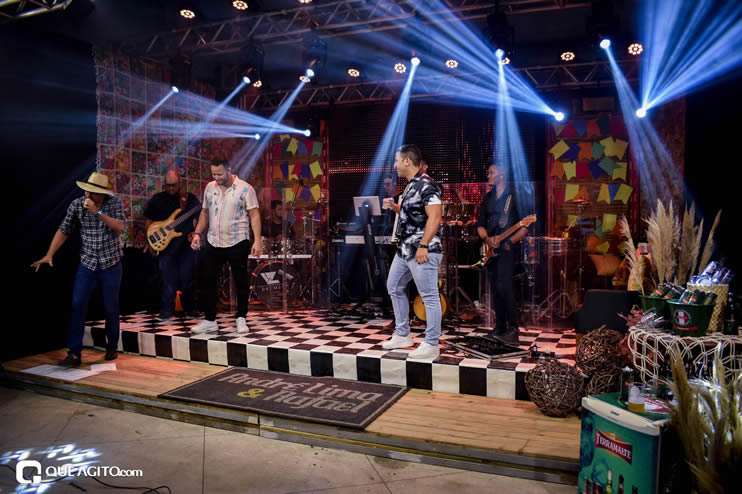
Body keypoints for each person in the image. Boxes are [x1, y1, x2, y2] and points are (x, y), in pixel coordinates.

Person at [31, 172, 126, 366]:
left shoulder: (114, 203)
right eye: (87, 191)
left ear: (103, 194)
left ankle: (111, 346)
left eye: (94, 192)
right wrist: (50, 254)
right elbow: (64, 229)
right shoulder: (76, 205)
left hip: (111, 262)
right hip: (88, 262)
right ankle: (74, 353)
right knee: (77, 304)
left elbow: (119, 227)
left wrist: (97, 212)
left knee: (110, 306)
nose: (89, 195)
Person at [381, 144, 443, 360]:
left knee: (429, 296)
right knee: (394, 286)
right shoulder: (410, 186)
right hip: (406, 249)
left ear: (407, 161)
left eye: (397, 160)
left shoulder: (427, 185)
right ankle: (402, 334)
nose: (395, 165)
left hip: (422, 248)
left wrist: (424, 245)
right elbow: (414, 214)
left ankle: (432, 344)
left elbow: (435, 216)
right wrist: (395, 208)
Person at [190, 161, 261, 334]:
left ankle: (241, 317)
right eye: (214, 174)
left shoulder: (245, 189)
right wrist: (197, 233)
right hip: (214, 240)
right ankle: (210, 320)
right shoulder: (209, 187)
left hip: (237, 240)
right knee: (208, 279)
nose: (217, 177)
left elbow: (254, 214)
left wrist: (257, 240)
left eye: (220, 174)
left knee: (240, 280)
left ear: (229, 170)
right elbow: (205, 212)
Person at [476, 164, 527, 344]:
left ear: (502, 173)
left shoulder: (515, 197)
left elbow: (524, 227)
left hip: (508, 250)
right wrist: (486, 238)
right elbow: (480, 224)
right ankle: (499, 327)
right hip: (491, 250)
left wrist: (508, 242)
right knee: (496, 289)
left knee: (505, 287)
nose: (488, 175)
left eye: (491, 172)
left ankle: (513, 329)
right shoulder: (488, 198)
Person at [143, 169, 201, 321]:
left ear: (180, 183)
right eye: (168, 185)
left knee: (188, 278)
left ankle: (190, 309)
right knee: (168, 280)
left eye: (173, 185)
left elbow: (201, 218)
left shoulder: (190, 199)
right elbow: (148, 220)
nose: (170, 188)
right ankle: (167, 311)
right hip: (166, 247)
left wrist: (196, 231)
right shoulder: (157, 199)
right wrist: (150, 241)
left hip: (186, 247)